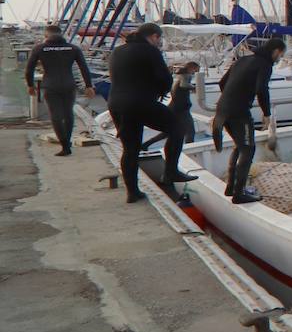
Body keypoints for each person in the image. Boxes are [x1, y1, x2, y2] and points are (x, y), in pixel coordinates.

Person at [107, 23, 195, 202]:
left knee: (130, 149)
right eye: (159, 38)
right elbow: (165, 78)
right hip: (140, 101)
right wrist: (160, 92)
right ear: (154, 36)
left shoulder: (118, 51)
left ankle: (132, 193)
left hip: (116, 102)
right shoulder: (150, 51)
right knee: (178, 128)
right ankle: (170, 172)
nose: (159, 42)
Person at [212, 39, 285, 204]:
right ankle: (239, 194)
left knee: (240, 146)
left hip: (222, 109)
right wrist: (266, 113)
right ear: (276, 51)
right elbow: (261, 89)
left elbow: (222, 82)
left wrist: (231, 97)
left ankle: (231, 187)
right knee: (248, 149)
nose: (280, 57)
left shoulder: (243, 59)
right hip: (238, 112)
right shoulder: (265, 65)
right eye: (281, 54)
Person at [24, 24, 95, 156]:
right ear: (61, 34)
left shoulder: (40, 48)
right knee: (68, 113)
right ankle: (67, 142)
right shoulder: (73, 48)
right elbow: (84, 68)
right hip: (69, 84)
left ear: (46, 35)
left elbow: (29, 70)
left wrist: (30, 85)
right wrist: (88, 85)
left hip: (50, 85)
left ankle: (65, 146)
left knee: (55, 115)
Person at [167, 60, 200, 150]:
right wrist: (195, 88)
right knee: (190, 131)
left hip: (175, 106)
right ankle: (190, 149)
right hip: (181, 108)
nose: (195, 73)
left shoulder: (179, 75)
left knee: (170, 131)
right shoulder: (186, 75)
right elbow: (184, 85)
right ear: (191, 68)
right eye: (195, 70)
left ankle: (147, 144)